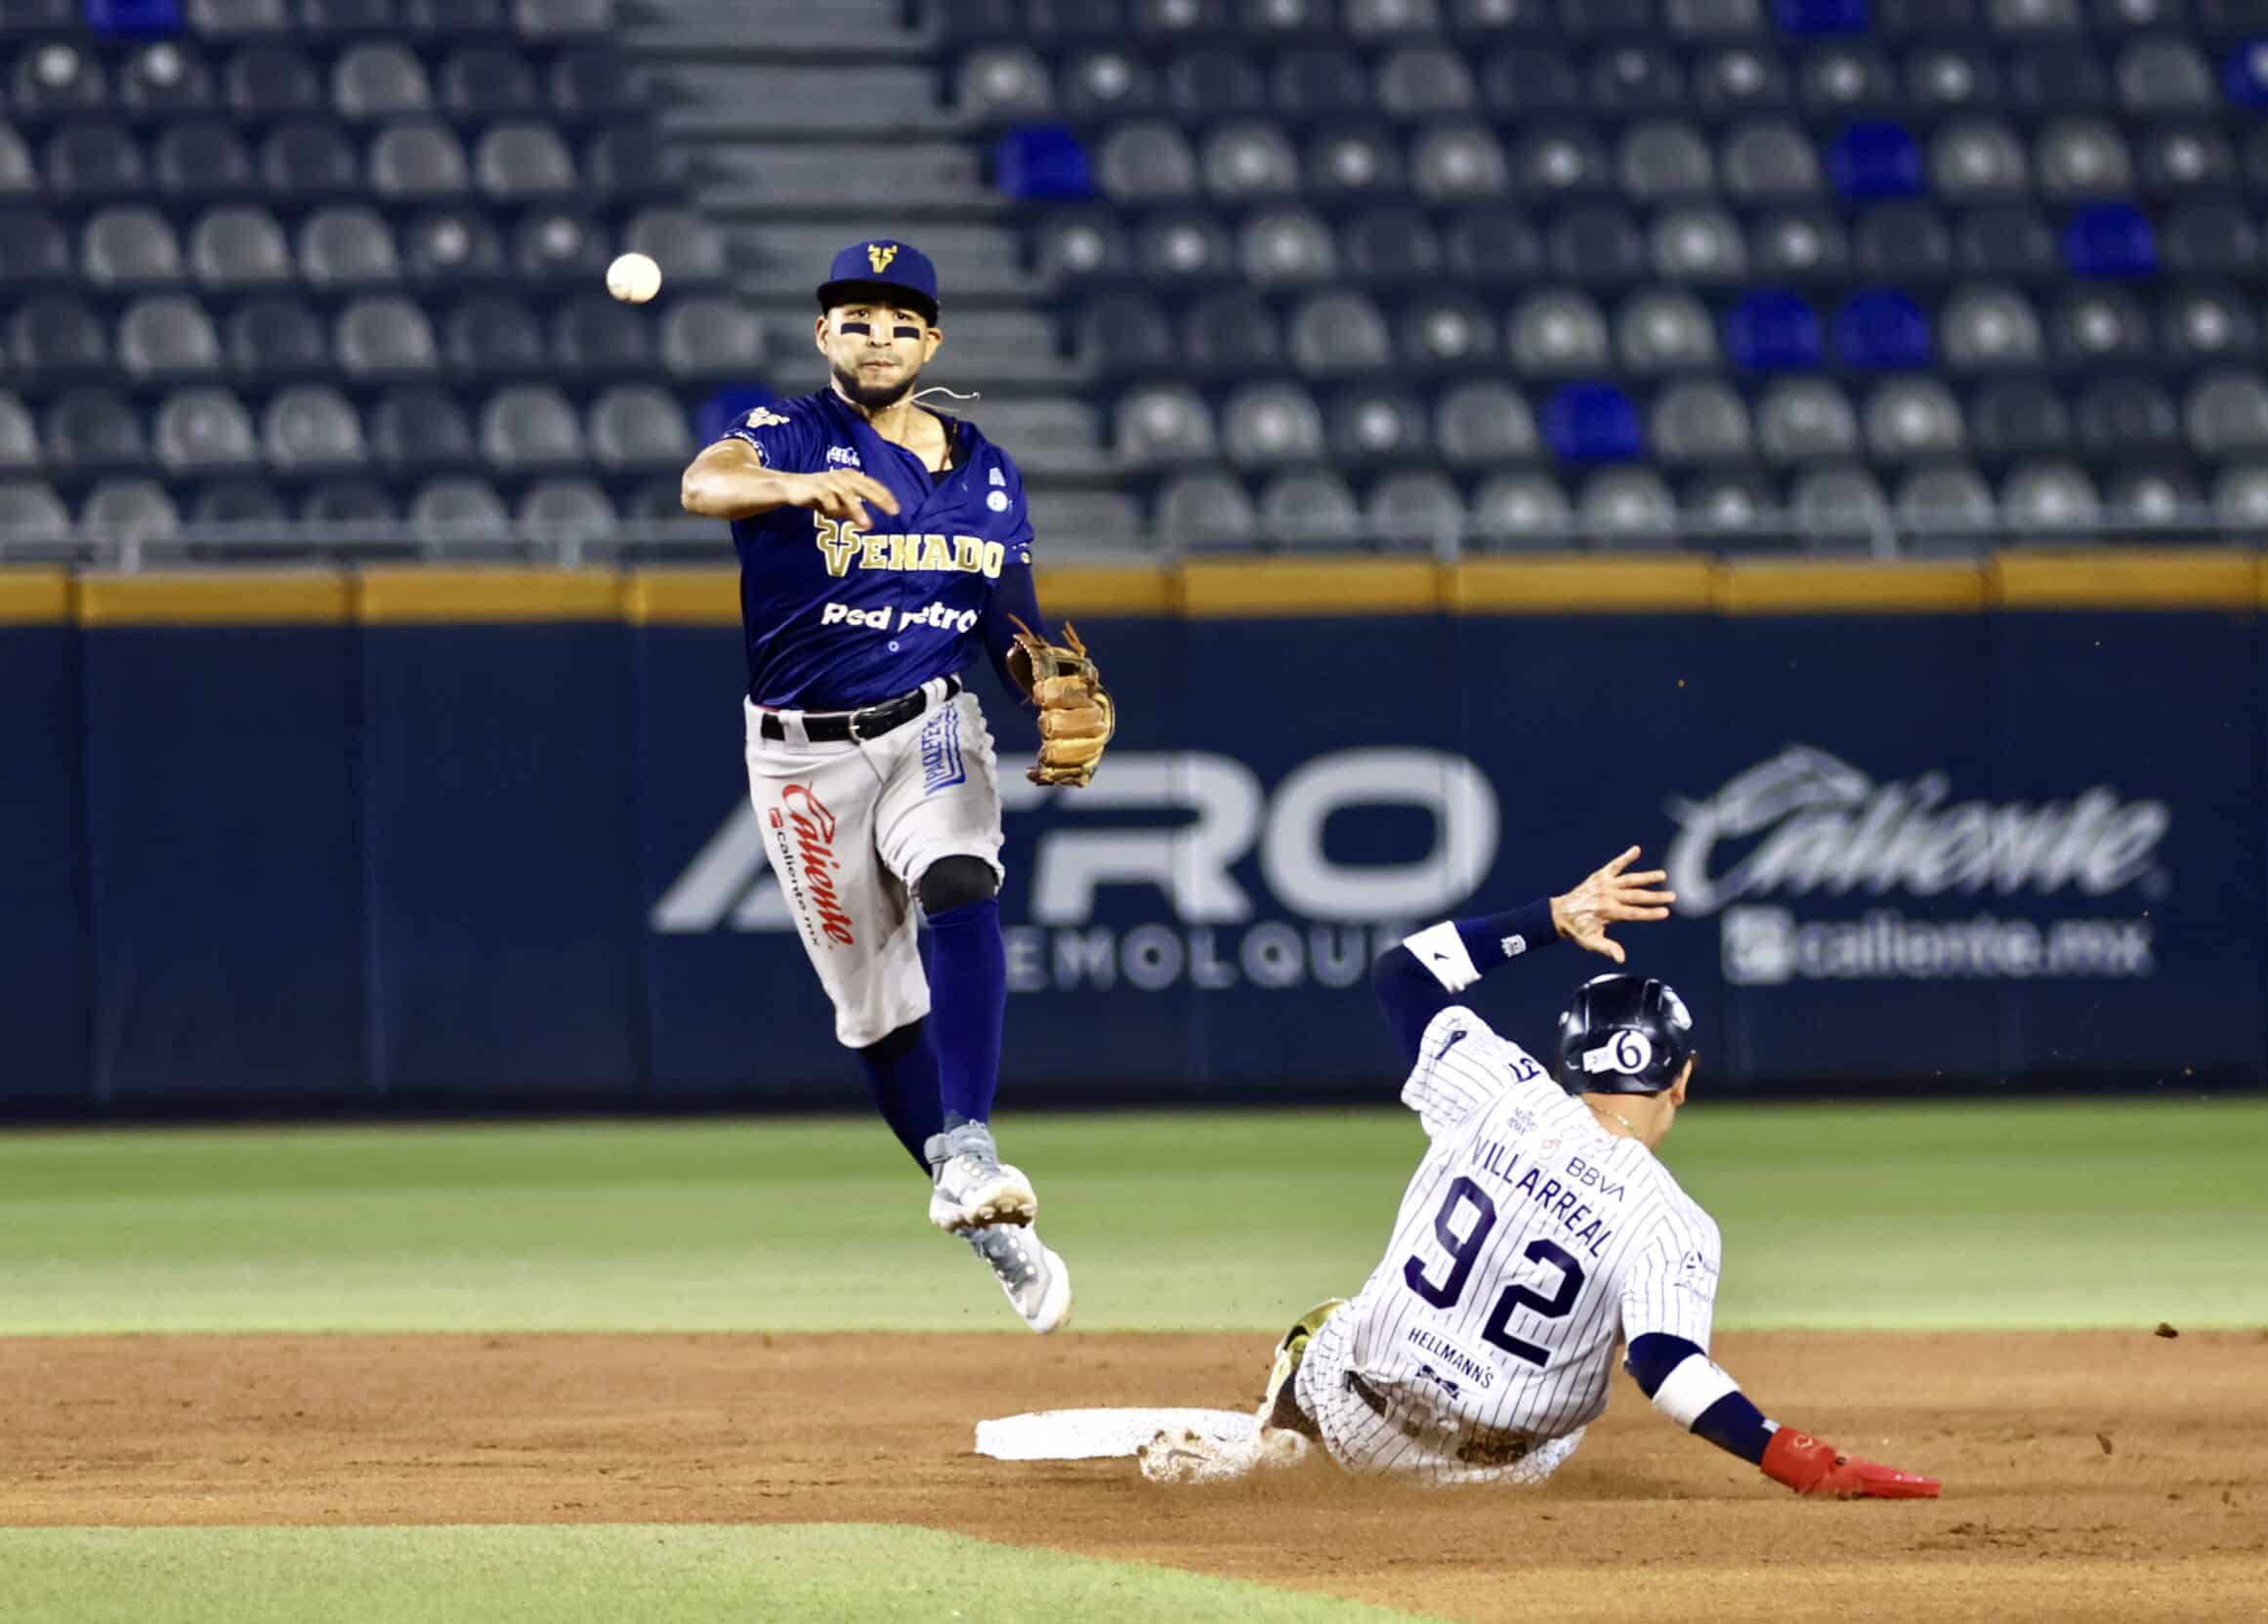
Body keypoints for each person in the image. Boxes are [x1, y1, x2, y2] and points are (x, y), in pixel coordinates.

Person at [1142, 848, 1942, 1496]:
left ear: (1573, 1058)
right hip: (1484, 1478)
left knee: (1326, 1321)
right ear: (1682, 1079)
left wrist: (1552, 919)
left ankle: (1276, 1444)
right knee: (1575, 1384)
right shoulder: (1673, 1222)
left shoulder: (1496, 1082)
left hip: (1355, 1422)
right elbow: (1666, 1370)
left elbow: (1402, 974)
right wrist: (1795, 1457)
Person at [678, 240, 1112, 1334]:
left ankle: (967, 1144)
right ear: (825, 336)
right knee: (871, 1012)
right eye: (855, 319)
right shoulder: (790, 432)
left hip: (930, 723)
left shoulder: (988, 470)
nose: (878, 336)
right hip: (797, 760)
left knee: (962, 874)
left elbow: (1006, 612)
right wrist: (793, 485)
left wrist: (1038, 681)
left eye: (899, 320)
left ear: (933, 342)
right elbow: (701, 482)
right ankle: (988, 1220)